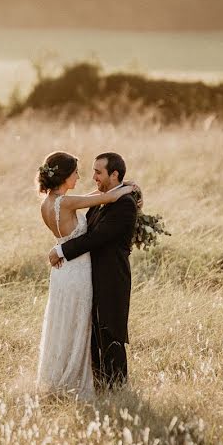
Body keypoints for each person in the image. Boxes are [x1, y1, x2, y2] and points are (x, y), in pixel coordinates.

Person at [35, 151, 135, 400]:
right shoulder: (67, 203)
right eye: (77, 173)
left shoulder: (49, 203)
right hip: (77, 270)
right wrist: (128, 189)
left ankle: (60, 376)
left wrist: (60, 249)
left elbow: (95, 197)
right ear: (65, 176)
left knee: (64, 325)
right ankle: (78, 380)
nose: (81, 177)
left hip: (62, 274)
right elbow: (108, 197)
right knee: (80, 326)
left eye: (94, 172)